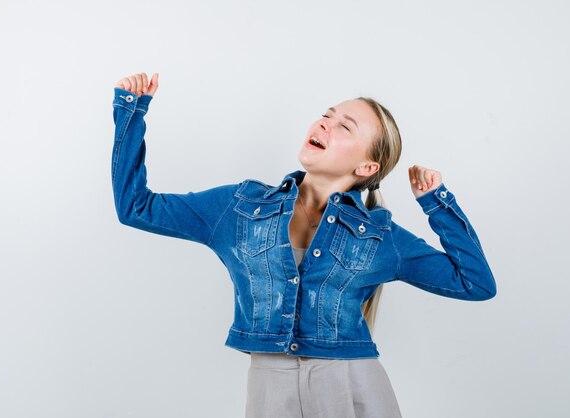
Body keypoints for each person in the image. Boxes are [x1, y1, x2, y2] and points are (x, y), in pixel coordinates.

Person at [111, 72, 497, 418]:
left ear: (366, 168)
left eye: (345, 127)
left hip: (353, 383)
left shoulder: (381, 238)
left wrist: (437, 203)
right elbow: (136, 207)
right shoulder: (240, 207)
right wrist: (131, 112)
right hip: (269, 384)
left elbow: (475, 283)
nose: (325, 123)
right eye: (327, 115)